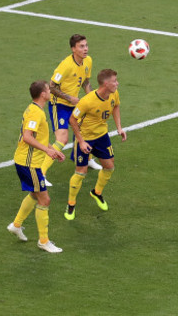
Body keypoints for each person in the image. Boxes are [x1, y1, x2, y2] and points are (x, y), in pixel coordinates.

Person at [7, 80, 66, 253]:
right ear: (43, 94)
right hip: (28, 163)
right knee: (44, 199)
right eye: (48, 89)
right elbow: (27, 137)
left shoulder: (34, 109)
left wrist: (51, 149)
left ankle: (16, 225)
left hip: (29, 162)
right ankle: (43, 241)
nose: (50, 91)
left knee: (35, 194)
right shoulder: (36, 113)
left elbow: (37, 137)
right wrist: (47, 151)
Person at [64, 69, 127, 220]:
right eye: (114, 81)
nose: (117, 83)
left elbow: (116, 106)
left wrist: (119, 127)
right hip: (85, 137)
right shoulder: (87, 101)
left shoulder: (114, 94)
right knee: (81, 172)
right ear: (106, 84)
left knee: (110, 167)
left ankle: (96, 192)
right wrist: (81, 141)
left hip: (102, 136)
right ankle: (71, 204)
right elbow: (72, 120)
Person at [41, 34, 101, 187]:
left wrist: (92, 99)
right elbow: (51, 87)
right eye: (81, 46)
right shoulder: (65, 65)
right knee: (62, 139)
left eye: (86, 45)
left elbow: (86, 81)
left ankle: (87, 160)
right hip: (59, 105)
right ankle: (41, 174)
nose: (85, 49)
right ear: (73, 49)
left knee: (87, 127)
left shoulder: (88, 61)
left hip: (74, 103)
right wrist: (69, 98)